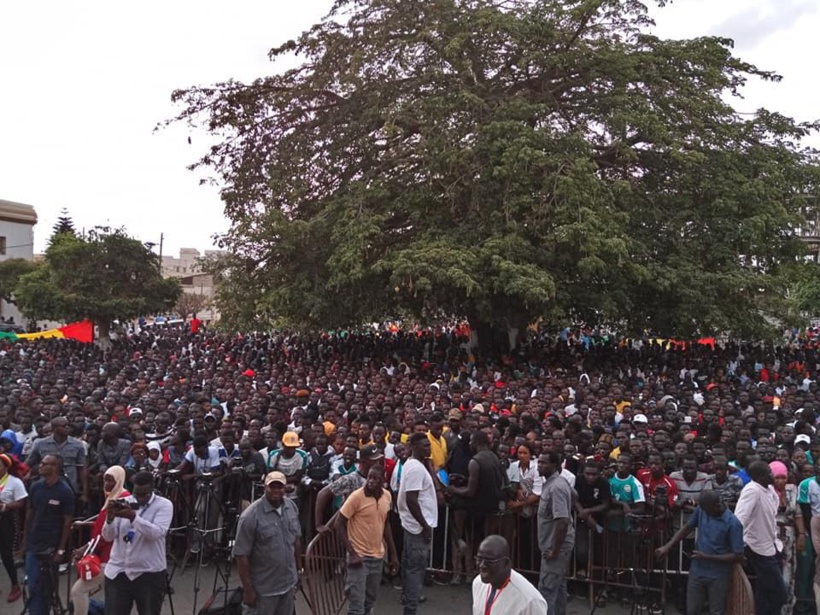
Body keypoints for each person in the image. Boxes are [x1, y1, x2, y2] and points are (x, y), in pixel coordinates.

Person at [655, 490, 744, 615]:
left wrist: (707, 557)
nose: (704, 512)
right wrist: (667, 546)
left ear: (716, 506)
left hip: (718, 576)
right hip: (697, 571)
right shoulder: (702, 510)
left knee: (716, 611)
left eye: (707, 510)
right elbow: (687, 527)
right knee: (692, 610)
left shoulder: (733, 524)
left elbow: (738, 555)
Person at [101, 470, 173, 614]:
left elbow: (156, 533)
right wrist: (109, 519)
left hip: (148, 573)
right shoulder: (125, 502)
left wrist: (133, 517)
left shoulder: (164, 505)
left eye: (144, 494)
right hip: (119, 571)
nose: (139, 498)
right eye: (136, 493)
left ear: (152, 489)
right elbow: (108, 537)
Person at [234, 471, 303, 615]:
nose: (276, 491)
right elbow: (241, 555)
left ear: (286, 488)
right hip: (264, 589)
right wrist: (248, 589)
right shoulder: (250, 516)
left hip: (288, 584)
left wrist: (299, 571)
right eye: (272, 487)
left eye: (280, 487)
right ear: (265, 487)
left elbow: (296, 540)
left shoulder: (291, 507)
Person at [338, 466, 399, 615]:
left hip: (377, 557)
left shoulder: (387, 496)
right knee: (356, 605)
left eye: (375, 478)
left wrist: (393, 554)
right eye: (369, 477)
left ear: (383, 481)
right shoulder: (356, 497)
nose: (371, 481)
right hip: (359, 557)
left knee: (369, 602)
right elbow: (338, 523)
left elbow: (386, 524)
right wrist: (352, 553)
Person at [71, 466, 129, 615]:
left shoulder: (121, 499)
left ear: (119, 480)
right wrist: (85, 524)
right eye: (105, 480)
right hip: (104, 554)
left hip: (109, 556)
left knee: (78, 591)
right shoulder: (111, 496)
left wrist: (85, 548)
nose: (107, 484)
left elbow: (107, 533)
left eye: (111, 480)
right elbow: (102, 525)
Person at [21, 453, 74, 615]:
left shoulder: (65, 491)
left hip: (51, 546)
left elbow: (67, 522)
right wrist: (25, 542)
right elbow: (29, 514)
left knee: (46, 587)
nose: (41, 466)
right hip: (34, 543)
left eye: (45, 463)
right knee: (33, 584)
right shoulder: (36, 486)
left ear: (55, 467)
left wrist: (61, 549)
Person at [735, 460, 789, 615]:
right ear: (759, 476)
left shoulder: (770, 490)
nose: (772, 475)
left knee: (765, 593)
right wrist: (739, 547)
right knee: (780, 594)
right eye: (769, 473)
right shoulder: (752, 490)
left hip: (773, 546)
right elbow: (739, 519)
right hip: (757, 548)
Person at [398, 432, 438, 615]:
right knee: (415, 570)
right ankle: (410, 608)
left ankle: (408, 599)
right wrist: (425, 526)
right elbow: (411, 500)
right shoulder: (415, 468)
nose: (428, 448)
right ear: (414, 447)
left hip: (413, 525)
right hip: (417, 528)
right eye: (424, 445)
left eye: (429, 445)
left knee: (410, 567)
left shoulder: (417, 465)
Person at [537, 450, 575, 615]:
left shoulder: (557, 486)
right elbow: (575, 496)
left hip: (556, 545)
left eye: (543, 463)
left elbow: (562, 520)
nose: (539, 466)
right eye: (539, 462)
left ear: (554, 466)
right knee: (559, 587)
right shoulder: (556, 483)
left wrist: (555, 550)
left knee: (547, 589)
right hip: (554, 544)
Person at [471, 535, 547, 615]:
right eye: (479, 559)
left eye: (489, 561)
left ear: (506, 563)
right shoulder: (478, 583)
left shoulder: (530, 601)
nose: (482, 565)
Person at [26, 416, 89, 513]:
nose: (67, 428)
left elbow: (82, 469)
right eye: (63, 426)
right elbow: (29, 463)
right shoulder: (40, 443)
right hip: (46, 484)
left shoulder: (77, 444)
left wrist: (84, 493)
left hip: (69, 486)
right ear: (54, 428)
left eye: (67, 425)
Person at [0, 453, 26, 603]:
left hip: (7, 520)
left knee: (6, 554)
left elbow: (21, 502)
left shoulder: (14, 482)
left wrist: (4, 506)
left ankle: (15, 585)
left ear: (5, 466)